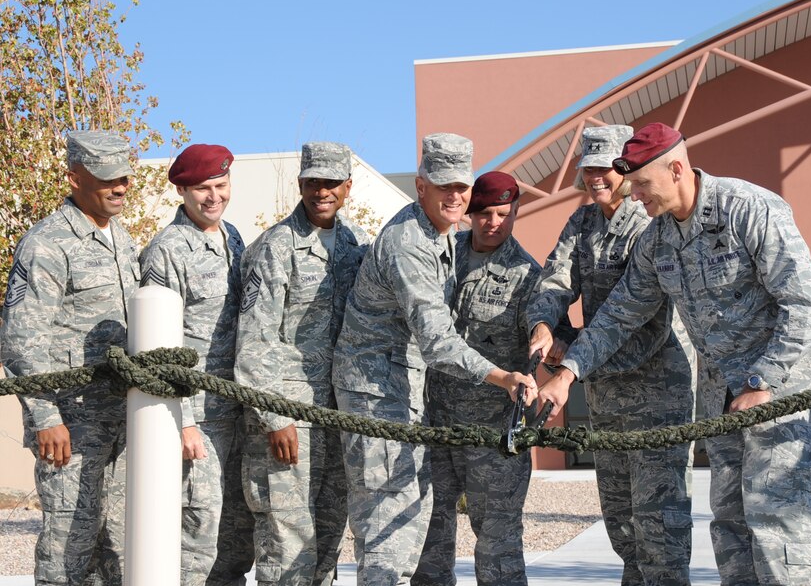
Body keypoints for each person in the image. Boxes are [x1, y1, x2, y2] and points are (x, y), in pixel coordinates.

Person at [536, 122, 811, 585]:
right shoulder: (658, 239)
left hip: (780, 393)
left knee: (776, 524)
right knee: (730, 525)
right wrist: (568, 373)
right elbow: (618, 315)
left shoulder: (748, 209)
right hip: (721, 400)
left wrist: (762, 381)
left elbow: (806, 305)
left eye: (641, 184)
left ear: (675, 169)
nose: (634, 196)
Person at [332, 134, 539, 586]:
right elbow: (439, 342)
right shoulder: (410, 243)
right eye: (445, 186)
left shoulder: (441, 237)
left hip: (407, 396)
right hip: (377, 394)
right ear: (421, 186)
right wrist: (503, 377)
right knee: (390, 526)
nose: (456, 197)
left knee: (411, 521)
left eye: (462, 187)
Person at [527, 125, 696, 585]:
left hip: (657, 392)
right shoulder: (583, 222)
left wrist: (572, 363)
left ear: (626, 169)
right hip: (605, 395)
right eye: (588, 169)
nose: (596, 178)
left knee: (659, 523)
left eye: (605, 168)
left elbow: (644, 324)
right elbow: (556, 280)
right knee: (621, 521)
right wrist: (546, 326)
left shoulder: (650, 222)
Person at [411, 171, 575, 586]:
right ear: (470, 212)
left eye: (504, 213)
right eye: (485, 213)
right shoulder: (441, 255)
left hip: (495, 433)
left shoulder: (528, 276)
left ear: (516, 211)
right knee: (428, 539)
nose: (493, 223)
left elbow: (552, 333)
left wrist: (553, 346)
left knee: (497, 547)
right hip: (434, 423)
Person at [1, 130, 140, 585]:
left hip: (123, 420)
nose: (119, 187)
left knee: (120, 549)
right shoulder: (47, 243)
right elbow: (22, 338)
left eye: (124, 177)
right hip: (71, 425)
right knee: (68, 550)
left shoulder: (123, 240)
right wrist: (45, 417)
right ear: (75, 177)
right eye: (107, 178)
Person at [234, 142, 368, 586]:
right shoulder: (276, 247)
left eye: (331, 182)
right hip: (288, 418)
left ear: (348, 187)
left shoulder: (354, 245)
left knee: (327, 542)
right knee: (286, 544)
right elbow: (253, 341)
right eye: (313, 182)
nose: (321, 191)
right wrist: (275, 418)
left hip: (337, 415)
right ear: (300, 184)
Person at [139, 144, 254, 585]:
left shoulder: (234, 238)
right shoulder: (166, 251)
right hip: (198, 418)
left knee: (236, 537)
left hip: (238, 409)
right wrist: (183, 421)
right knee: (197, 535)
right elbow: (156, 345)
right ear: (182, 191)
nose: (214, 197)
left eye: (221, 185)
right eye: (203, 188)